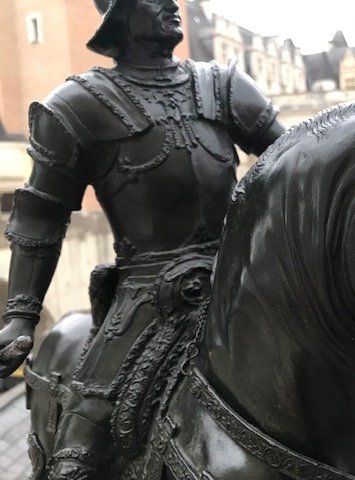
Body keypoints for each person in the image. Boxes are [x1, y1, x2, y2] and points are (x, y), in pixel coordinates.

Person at [0, 0, 285, 477]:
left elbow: (293, 160)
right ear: (119, 14)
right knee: (78, 457)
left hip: (243, 277)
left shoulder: (224, 86)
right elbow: (39, 217)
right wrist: (20, 317)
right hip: (148, 298)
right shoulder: (78, 106)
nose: (171, 4)